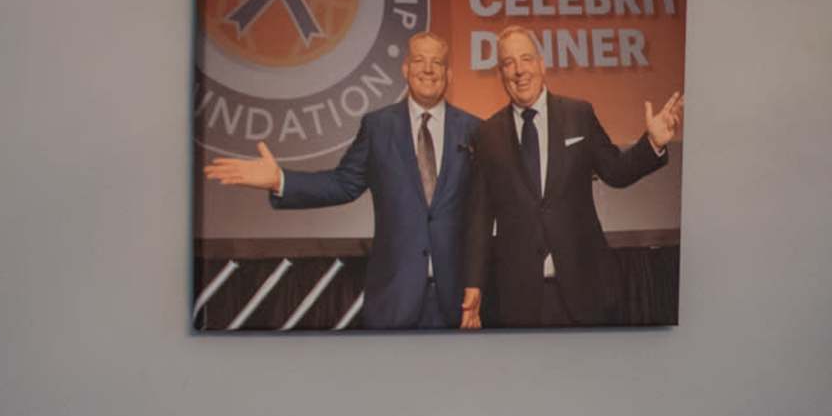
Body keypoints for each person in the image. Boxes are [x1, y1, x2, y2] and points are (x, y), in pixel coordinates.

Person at [200, 29, 479, 329]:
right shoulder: (378, 127)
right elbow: (342, 184)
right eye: (419, 60)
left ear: (449, 74)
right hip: (393, 298)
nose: (427, 69)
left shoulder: (474, 130)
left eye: (436, 62)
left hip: (459, 302)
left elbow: (489, 206)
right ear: (406, 69)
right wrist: (280, 179)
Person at [458, 25, 684, 328]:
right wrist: (474, 286)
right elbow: (479, 218)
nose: (519, 70)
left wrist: (652, 143)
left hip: (586, 288)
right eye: (508, 63)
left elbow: (615, 171)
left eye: (526, 59)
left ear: (542, 64)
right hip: (519, 298)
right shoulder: (486, 135)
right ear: (500, 73)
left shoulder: (579, 113)